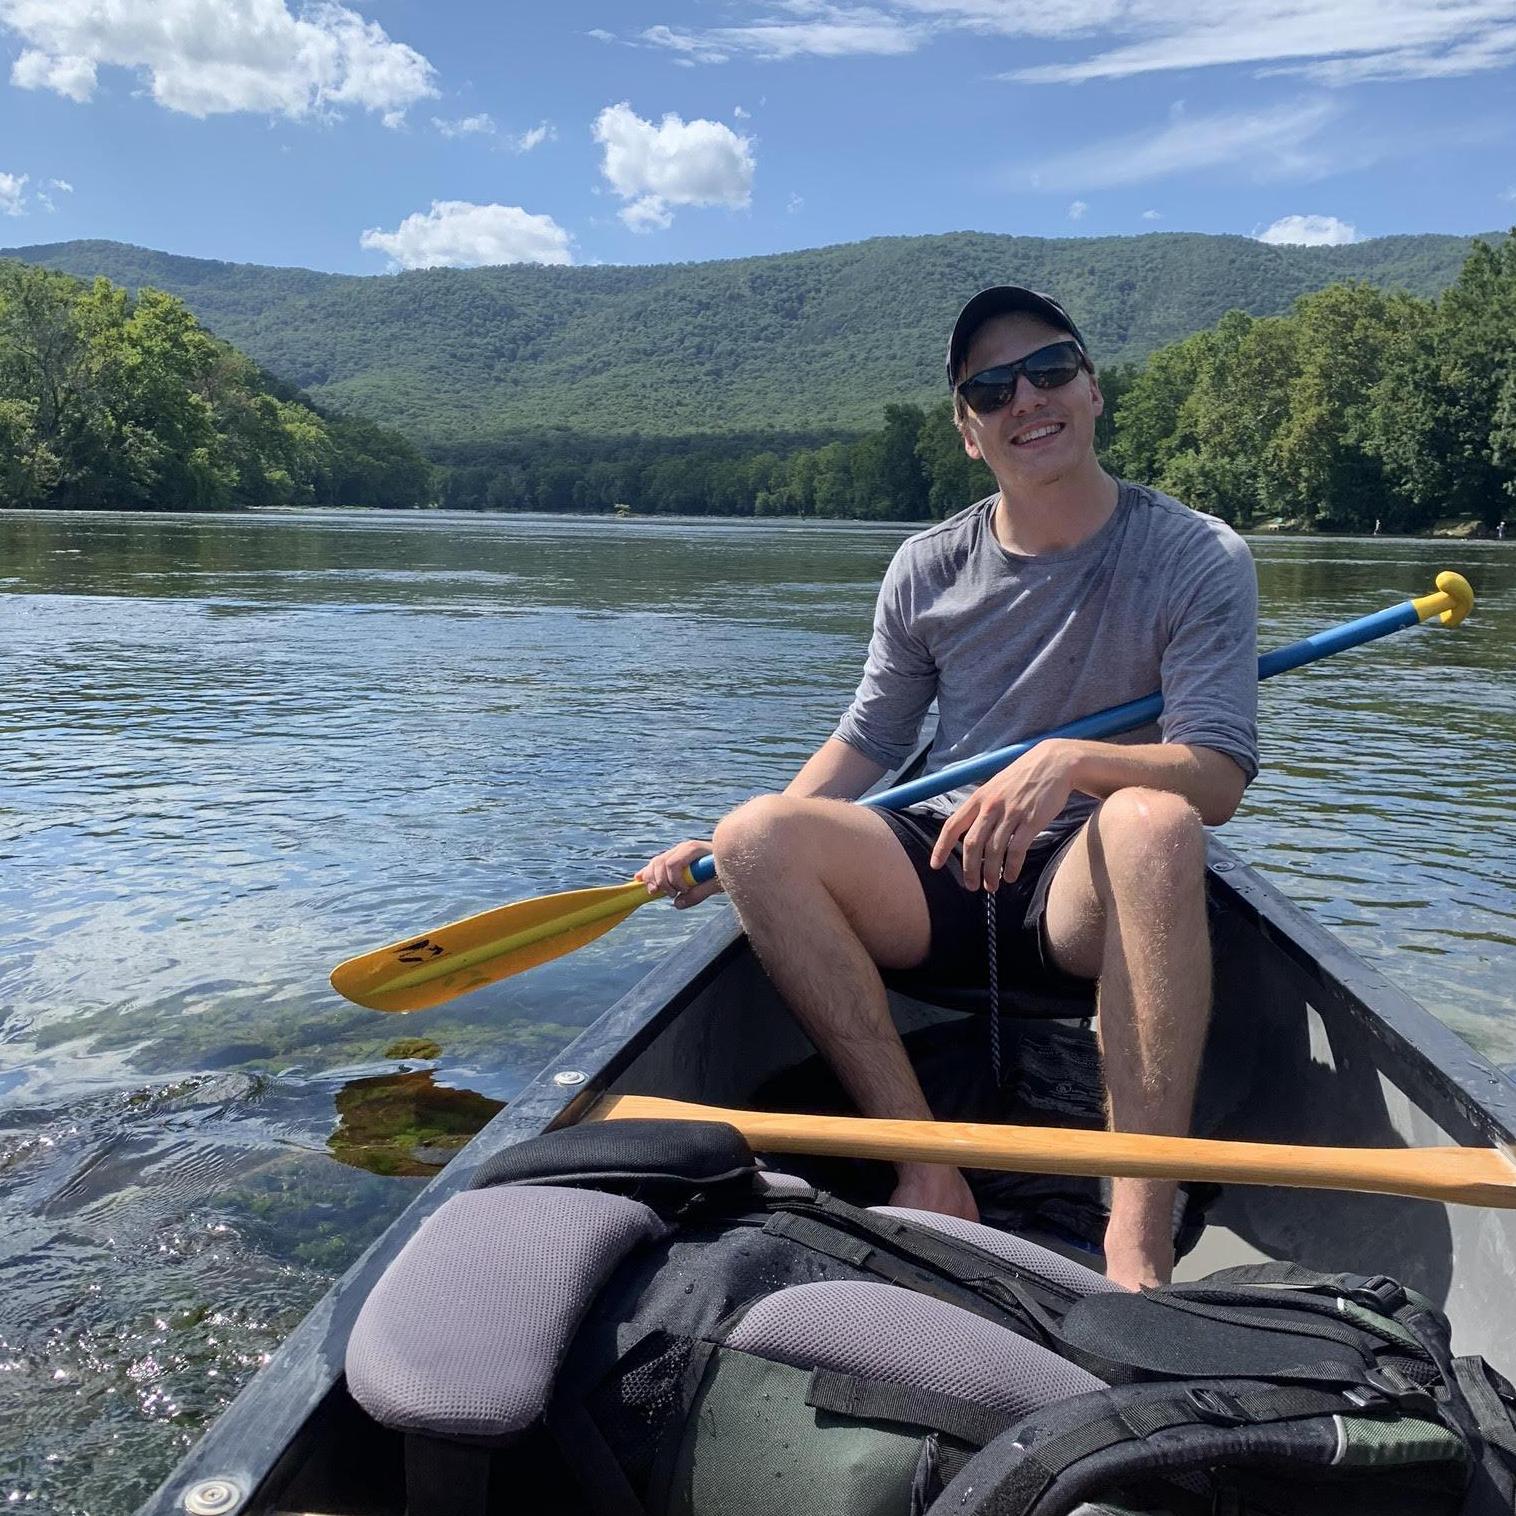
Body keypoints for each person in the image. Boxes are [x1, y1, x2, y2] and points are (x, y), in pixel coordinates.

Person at [639, 287, 1258, 1289]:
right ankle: (927, 1168)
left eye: (1049, 370)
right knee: (759, 833)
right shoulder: (926, 568)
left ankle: (1135, 1237)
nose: (1026, 398)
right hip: (943, 864)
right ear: (970, 432)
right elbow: (868, 740)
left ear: (1093, 391)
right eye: (990, 388)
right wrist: (728, 857)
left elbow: (1216, 775)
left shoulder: (1193, 556)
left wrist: (1072, 759)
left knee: (1155, 820)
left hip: (1081, 886)